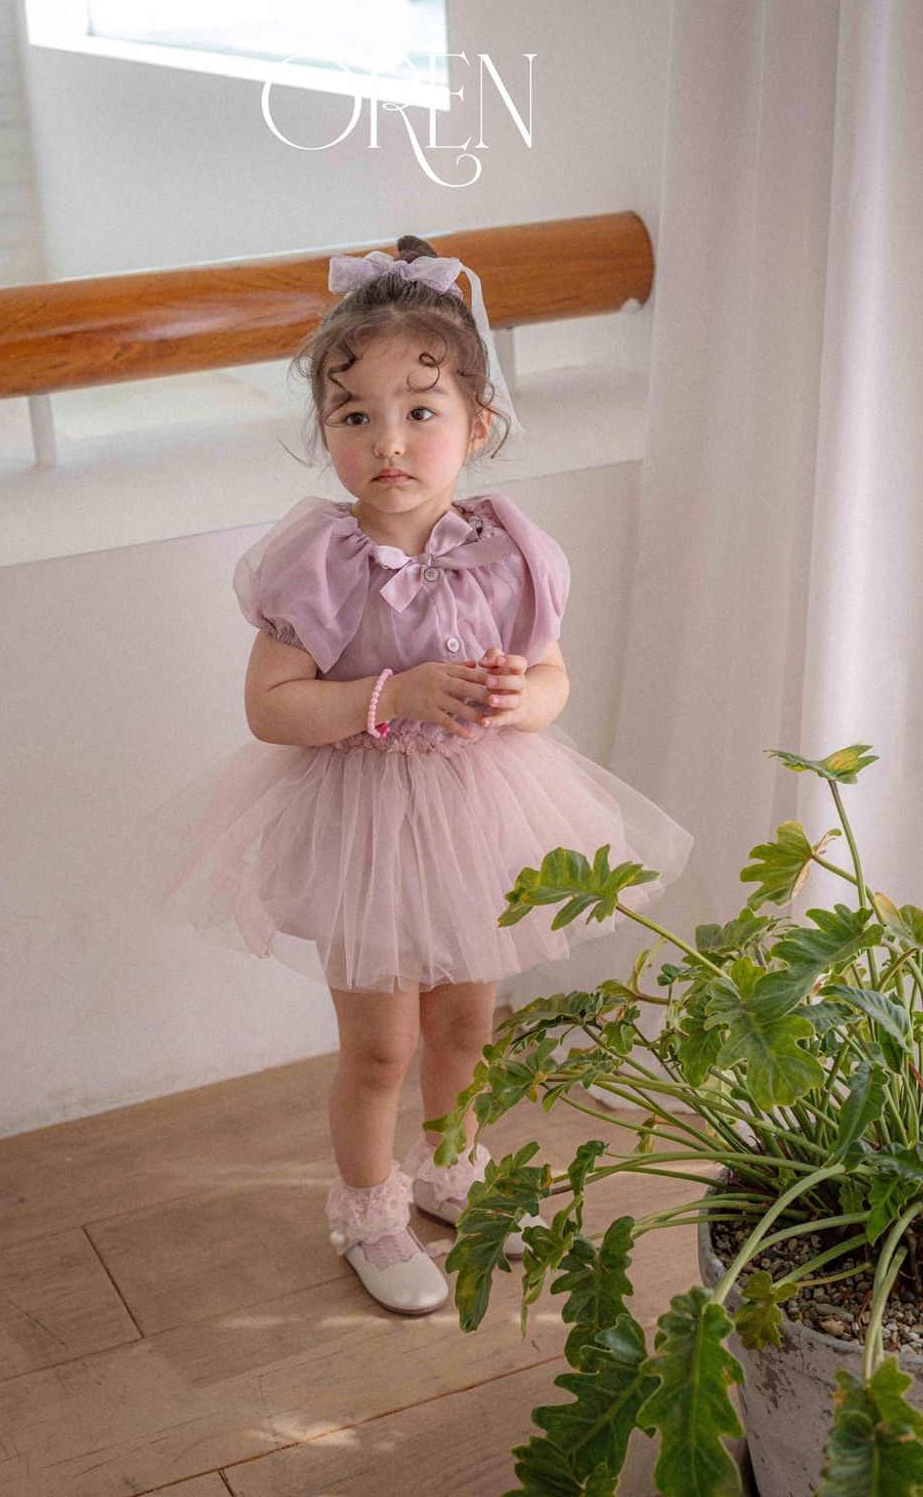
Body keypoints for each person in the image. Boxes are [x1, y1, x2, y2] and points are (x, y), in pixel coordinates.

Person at [103, 234, 695, 1316]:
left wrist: (519, 700)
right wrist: (396, 695)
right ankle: (368, 1213)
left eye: (420, 410)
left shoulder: (510, 549)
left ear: (478, 423)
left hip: (479, 814)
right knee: (380, 1047)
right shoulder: (316, 562)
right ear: (325, 430)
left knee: (466, 1026)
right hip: (363, 823)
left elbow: (553, 675)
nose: (388, 441)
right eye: (353, 415)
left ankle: (453, 1172)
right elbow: (271, 708)